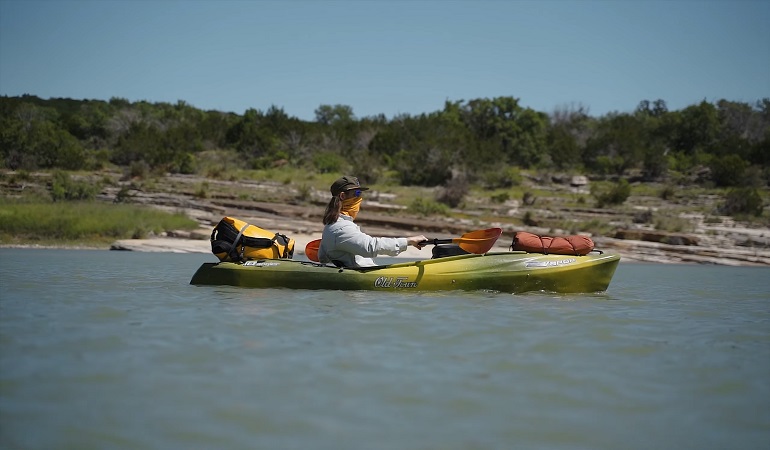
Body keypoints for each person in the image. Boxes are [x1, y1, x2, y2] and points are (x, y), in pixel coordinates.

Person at [318, 176, 427, 267]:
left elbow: (322, 256)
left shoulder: (332, 225)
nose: (359, 198)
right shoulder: (341, 228)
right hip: (359, 285)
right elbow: (371, 247)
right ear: (342, 196)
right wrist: (408, 241)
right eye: (356, 193)